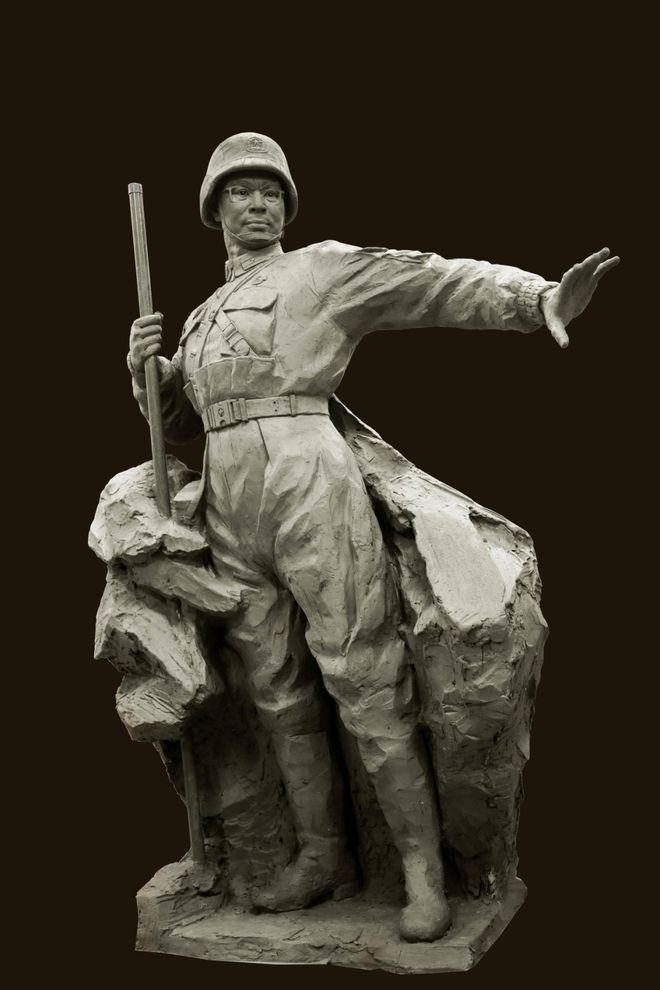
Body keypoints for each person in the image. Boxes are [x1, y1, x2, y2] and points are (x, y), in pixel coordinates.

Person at [128, 133, 618, 942]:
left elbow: (428, 280)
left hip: (306, 474)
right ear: (214, 209)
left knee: (364, 676)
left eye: (272, 192)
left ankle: (423, 873)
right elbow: (182, 423)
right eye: (242, 192)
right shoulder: (201, 315)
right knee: (275, 689)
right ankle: (323, 857)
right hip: (227, 494)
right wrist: (149, 373)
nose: (259, 204)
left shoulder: (321, 270)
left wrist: (537, 300)